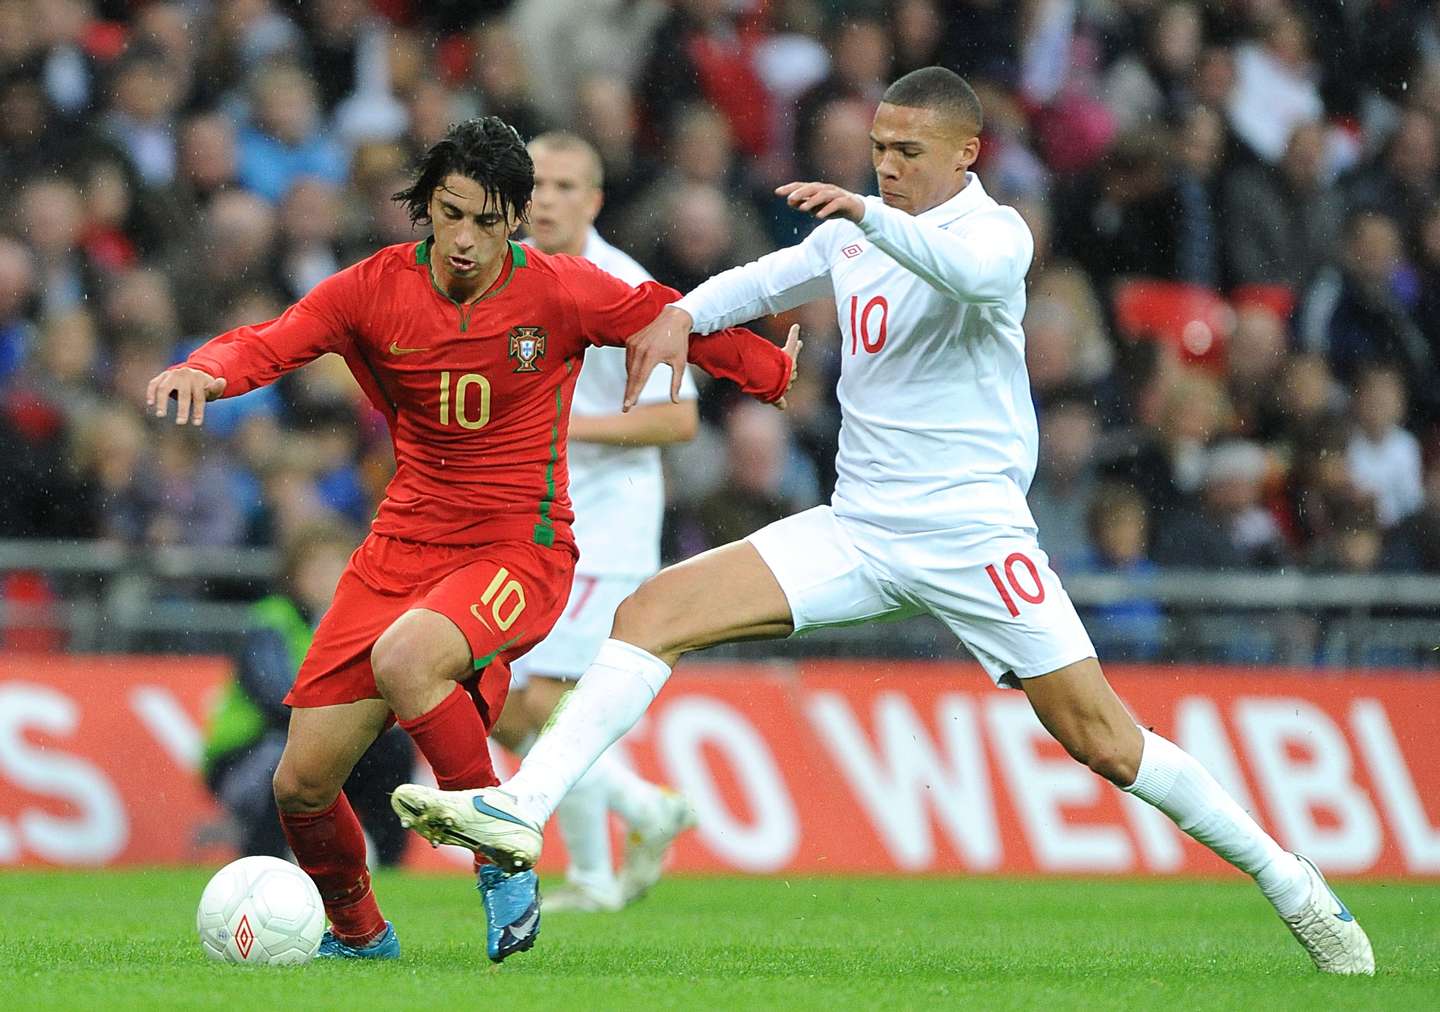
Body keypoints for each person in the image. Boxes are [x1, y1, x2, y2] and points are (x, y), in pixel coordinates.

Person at [393, 70, 1375, 976]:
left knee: (1104, 740)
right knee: (656, 608)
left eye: (908, 151)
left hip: (974, 536)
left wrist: (864, 212)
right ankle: (523, 809)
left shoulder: (999, 238)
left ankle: (1290, 880)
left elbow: (963, 278)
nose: (887, 165)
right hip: (859, 526)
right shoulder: (852, 234)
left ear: (967, 154)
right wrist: (679, 318)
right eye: (878, 149)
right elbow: (762, 282)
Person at [146, 116, 798, 964]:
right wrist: (208, 367)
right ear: (426, 206)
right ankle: (360, 937)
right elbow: (274, 341)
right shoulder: (373, 289)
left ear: (515, 220)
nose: (463, 239)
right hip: (401, 546)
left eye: (487, 221)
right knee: (300, 786)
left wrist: (769, 371)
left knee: (409, 660)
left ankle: (501, 858)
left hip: (516, 549)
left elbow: (674, 323)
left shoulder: (562, 289)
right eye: (450, 213)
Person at [489, 131, 699, 913]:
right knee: (509, 701)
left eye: (566, 186)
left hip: (603, 530)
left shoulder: (625, 287)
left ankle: (631, 828)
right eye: (535, 183)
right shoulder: (506, 276)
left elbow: (677, 419)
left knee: (539, 697)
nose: (545, 198)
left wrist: (565, 423)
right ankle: (605, 860)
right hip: (532, 523)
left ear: (596, 200)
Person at [202, 518, 414, 864]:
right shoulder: (271, 620)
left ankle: (387, 865)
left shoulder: (368, 624)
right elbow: (274, 696)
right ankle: (265, 864)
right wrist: (345, 722)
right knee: (288, 756)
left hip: (328, 743)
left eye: (337, 566)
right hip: (249, 751)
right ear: (294, 575)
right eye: (316, 567)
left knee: (392, 747)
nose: (327, 577)